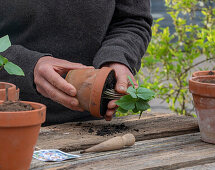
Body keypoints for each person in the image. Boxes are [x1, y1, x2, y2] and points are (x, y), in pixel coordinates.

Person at [0, 1, 152, 125]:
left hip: (91, 125)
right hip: (9, 121)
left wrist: (118, 57)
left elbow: (132, 21)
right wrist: (28, 65)